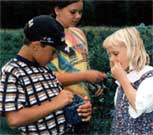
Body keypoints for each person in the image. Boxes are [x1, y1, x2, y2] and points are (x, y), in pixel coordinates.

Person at [0, 15, 92, 135]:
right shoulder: (12, 72)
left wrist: (79, 107)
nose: (55, 57)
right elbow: (14, 119)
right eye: (53, 52)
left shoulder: (44, 69)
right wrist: (55, 103)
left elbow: (60, 103)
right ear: (36, 46)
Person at [48, 0, 106, 133]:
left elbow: (84, 66)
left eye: (80, 12)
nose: (78, 16)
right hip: (62, 109)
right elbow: (48, 78)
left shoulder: (78, 33)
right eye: (73, 12)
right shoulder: (48, 38)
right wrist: (85, 76)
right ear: (57, 10)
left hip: (84, 106)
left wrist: (93, 84)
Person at [103, 27, 153, 134]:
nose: (111, 59)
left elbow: (139, 106)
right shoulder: (126, 78)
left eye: (115, 54)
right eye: (109, 55)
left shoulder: (149, 78)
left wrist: (122, 79)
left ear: (133, 51)